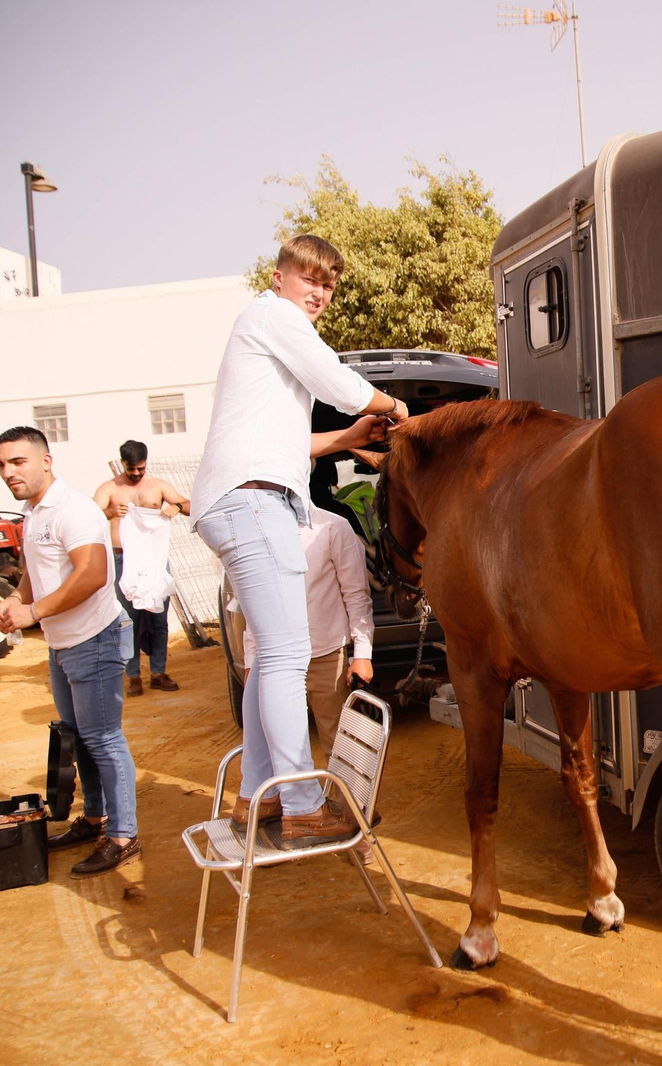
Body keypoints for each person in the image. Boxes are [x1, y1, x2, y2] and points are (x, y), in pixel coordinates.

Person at [191, 234, 407, 849]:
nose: (318, 293)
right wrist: (398, 411)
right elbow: (338, 382)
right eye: (309, 277)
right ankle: (305, 807)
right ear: (280, 275)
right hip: (252, 501)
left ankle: (254, 799)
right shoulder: (272, 315)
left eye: (328, 285)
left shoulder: (264, 335)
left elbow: (289, 441)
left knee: (269, 660)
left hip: (247, 496)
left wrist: (344, 439)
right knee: (287, 655)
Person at [0, 426, 141, 878]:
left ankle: (123, 835)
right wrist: (18, 599)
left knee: (103, 740)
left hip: (93, 640)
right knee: (79, 739)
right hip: (63, 644)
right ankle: (95, 818)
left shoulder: (72, 509)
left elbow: (93, 574)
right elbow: (36, 569)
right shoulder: (32, 511)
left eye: (17, 462)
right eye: (1, 464)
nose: (8, 472)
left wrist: (33, 612)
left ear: (46, 460)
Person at [241, 506, 375, 761]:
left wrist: (362, 654)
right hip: (272, 662)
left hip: (325, 656)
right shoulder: (256, 531)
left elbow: (357, 595)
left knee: (340, 747)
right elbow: (254, 604)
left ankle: (345, 802)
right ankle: (296, 802)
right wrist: (251, 661)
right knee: (278, 749)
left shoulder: (332, 527)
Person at [93, 440, 189, 695]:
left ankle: (158, 672)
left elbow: (188, 504)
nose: (136, 474)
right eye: (131, 469)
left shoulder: (157, 486)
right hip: (122, 558)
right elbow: (90, 515)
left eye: (141, 468)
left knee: (158, 618)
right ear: (122, 463)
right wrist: (111, 511)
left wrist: (176, 507)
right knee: (128, 620)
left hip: (153, 559)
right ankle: (133, 675)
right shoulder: (110, 488)